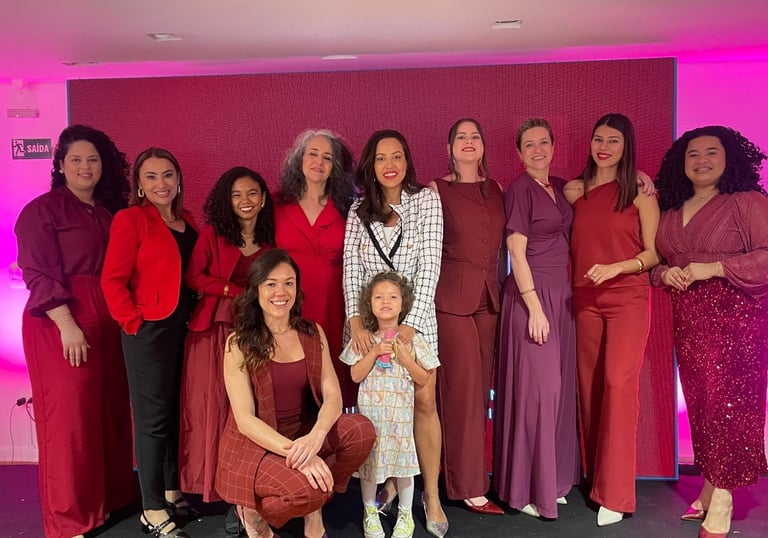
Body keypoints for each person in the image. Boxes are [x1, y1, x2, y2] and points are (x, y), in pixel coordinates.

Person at [14, 125, 136, 538]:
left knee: (109, 412)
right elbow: (37, 272)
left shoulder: (104, 212)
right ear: (61, 165)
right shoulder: (42, 210)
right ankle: (69, 518)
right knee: (70, 421)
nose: (86, 167)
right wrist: (66, 323)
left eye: (93, 159)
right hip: (60, 320)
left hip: (108, 316)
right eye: (77, 159)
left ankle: (111, 500)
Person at [652, 126, 768, 538]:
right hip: (688, 318)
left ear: (728, 156)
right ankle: (710, 482)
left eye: (711, 152)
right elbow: (657, 262)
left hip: (736, 318)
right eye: (693, 154)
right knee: (701, 404)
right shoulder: (671, 207)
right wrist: (665, 274)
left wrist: (716, 267)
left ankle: (723, 496)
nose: (701, 160)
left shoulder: (746, 201)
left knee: (729, 406)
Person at [215, 249, 376, 538]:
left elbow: (333, 396)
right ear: (256, 290)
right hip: (258, 446)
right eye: (271, 284)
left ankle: (313, 509)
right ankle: (252, 512)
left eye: (288, 283)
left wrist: (315, 439)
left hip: (303, 435)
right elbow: (245, 421)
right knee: (307, 491)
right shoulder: (237, 344)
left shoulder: (312, 332)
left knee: (361, 431)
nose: (281, 292)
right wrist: (302, 456)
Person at [343, 129, 447, 537]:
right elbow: (351, 268)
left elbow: (430, 265)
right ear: (370, 165)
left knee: (422, 404)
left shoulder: (426, 201)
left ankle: (430, 495)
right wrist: (355, 320)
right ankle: (384, 483)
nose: (390, 165)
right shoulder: (358, 210)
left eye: (397, 156)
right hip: (372, 321)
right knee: (379, 409)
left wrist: (410, 323)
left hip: (416, 320)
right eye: (381, 158)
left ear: (407, 162)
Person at [563, 113, 660, 527]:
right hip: (584, 300)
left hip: (627, 298)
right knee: (590, 390)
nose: (604, 147)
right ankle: (595, 479)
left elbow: (654, 253)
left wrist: (618, 267)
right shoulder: (574, 190)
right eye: (599, 139)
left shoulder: (639, 191)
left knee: (619, 387)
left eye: (614, 141)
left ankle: (617, 494)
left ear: (626, 146)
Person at [101, 147, 199, 537]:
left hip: (184, 329)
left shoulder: (187, 221)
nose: (162, 184)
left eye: (168, 175)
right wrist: (132, 324)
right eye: (152, 177)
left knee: (174, 413)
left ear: (178, 180)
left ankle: (172, 492)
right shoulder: (131, 220)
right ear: (139, 185)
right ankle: (152, 508)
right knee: (152, 420)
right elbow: (112, 280)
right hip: (149, 332)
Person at [494, 118, 581, 519]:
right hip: (532, 299)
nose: (537, 150)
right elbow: (516, 249)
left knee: (558, 393)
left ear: (553, 146)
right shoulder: (520, 190)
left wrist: (641, 177)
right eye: (529, 145)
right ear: (519, 152)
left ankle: (553, 481)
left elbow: (599, 182)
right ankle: (527, 489)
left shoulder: (559, 187)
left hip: (561, 299)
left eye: (543, 142)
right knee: (539, 394)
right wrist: (534, 307)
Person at [179, 167, 274, 505]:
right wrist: (233, 291)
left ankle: (242, 488)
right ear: (226, 200)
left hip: (254, 331)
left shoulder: (270, 239)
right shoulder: (213, 234)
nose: (245, 200)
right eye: (236, 195)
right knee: (211, 407)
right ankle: (210, 487)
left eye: (252, 193)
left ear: (263, 199)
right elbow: (193, 276)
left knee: (247, 409)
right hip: (213, 332)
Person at [426, 118, 505, 515]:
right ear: (450, 147)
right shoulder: (435, 190)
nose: (469, 142)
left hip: (490, 299)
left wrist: (637, 177)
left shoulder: (498, 189)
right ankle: (467, 486)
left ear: (483, 146)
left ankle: (467, 475)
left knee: (479, 391)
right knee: (461, 393)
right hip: (450, 301)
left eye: (475, 136)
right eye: (461, 137)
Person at [341, 272, 440, 538]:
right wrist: (374, 352)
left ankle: (405, 515)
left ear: (403, 303)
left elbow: (423, 378)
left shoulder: (413, 341)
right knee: (370, 468)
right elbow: (354, 375)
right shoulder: (364, 341)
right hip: (371, 421)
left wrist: (406, 358)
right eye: (379, 297)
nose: (386, 301)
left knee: (404, 468)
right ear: (369, 303)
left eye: (393, 297)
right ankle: (370, 512)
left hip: (401, 423)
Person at [274, 129, 357, 410]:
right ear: (299, 159)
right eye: (312, 153)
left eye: (327, 157)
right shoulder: (276, 204)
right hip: (287, 304)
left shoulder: (348, 208)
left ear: (336, 167)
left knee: (330, 381)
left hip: (333, 305)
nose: (319, 162)